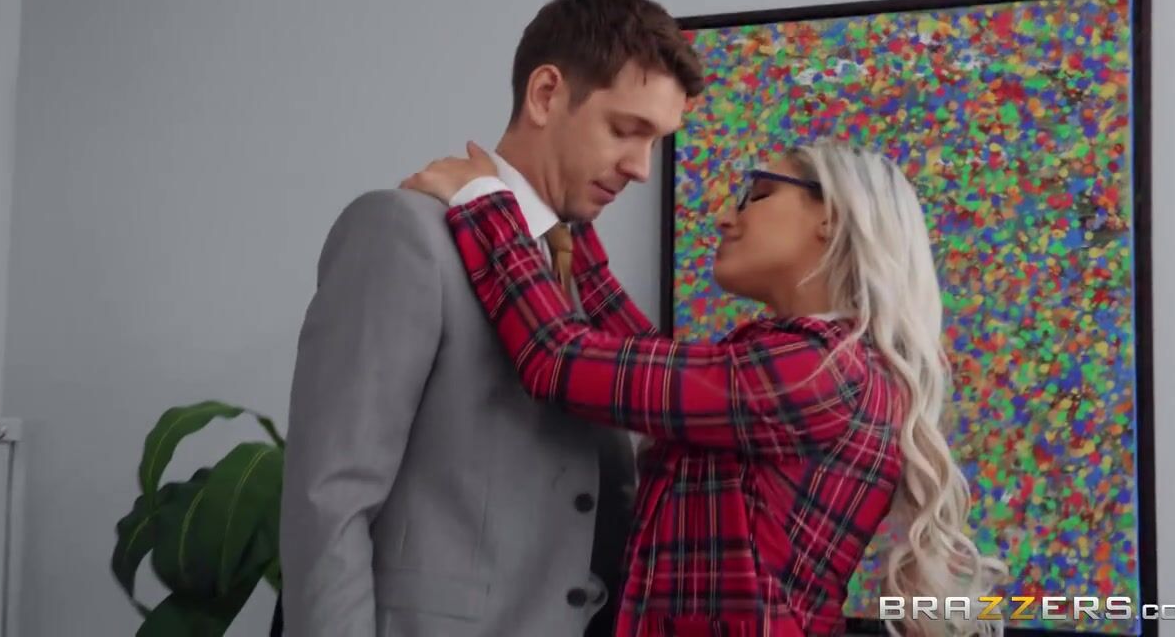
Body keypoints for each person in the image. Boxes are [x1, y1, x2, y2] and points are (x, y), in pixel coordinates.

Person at [401, 137, 1008, 636]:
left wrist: (482, 202)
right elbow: (639, 362)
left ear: (832, 218)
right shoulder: (829, 364)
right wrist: (561, 210)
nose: (725, 216)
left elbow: (560, 360)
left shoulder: (816, 372)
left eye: (757, 195)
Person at [279, 0, 705, 637]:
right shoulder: (402, 233)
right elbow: (328, 502)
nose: (641, 168)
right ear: (545, 94)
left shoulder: (582, 273)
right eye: (626, 130)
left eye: (656, 141)